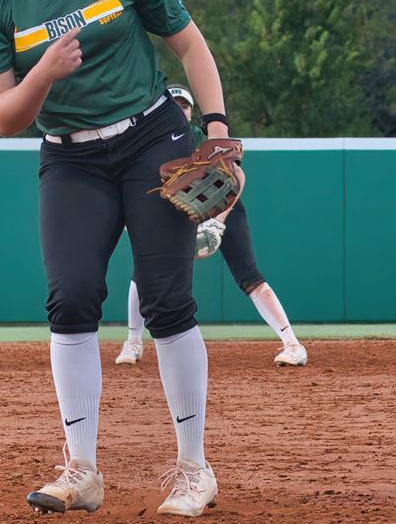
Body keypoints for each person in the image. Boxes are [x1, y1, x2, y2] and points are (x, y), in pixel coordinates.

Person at [0, 0, 234, 519]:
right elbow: (2, 118)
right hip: (71, 156)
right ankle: (83, 472)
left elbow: (190, 46)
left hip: (152, 137)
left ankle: (194, 470)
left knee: (166, 299)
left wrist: (215, 127)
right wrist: (43, 72)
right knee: (71, 297)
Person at [116, 87, 308, 368]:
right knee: (143, 271)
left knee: (250, 276)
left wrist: (217, 224)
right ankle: (133, 341)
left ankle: (293, 345)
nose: (180, 109)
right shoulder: (149, 142)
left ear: (191, 111)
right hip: (174, 211)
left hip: (222, 208)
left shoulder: (202, 139)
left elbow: (237, 174)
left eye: (185, 105)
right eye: (175, 104)